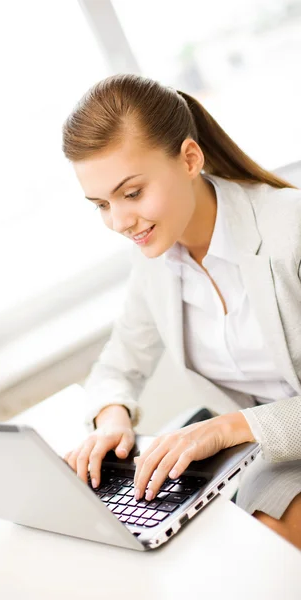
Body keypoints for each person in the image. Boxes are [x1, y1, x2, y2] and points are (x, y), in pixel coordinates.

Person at [61, 74, 301, 549]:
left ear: (190, 159)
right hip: (273, 456)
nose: (120, 222)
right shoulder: (158, 260)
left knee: (263, 547)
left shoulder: (289, 230)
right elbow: (118, 364)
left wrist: (229, 428)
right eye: (101, 205)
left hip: (266, 443)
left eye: (131, 194)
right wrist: (112, 419)